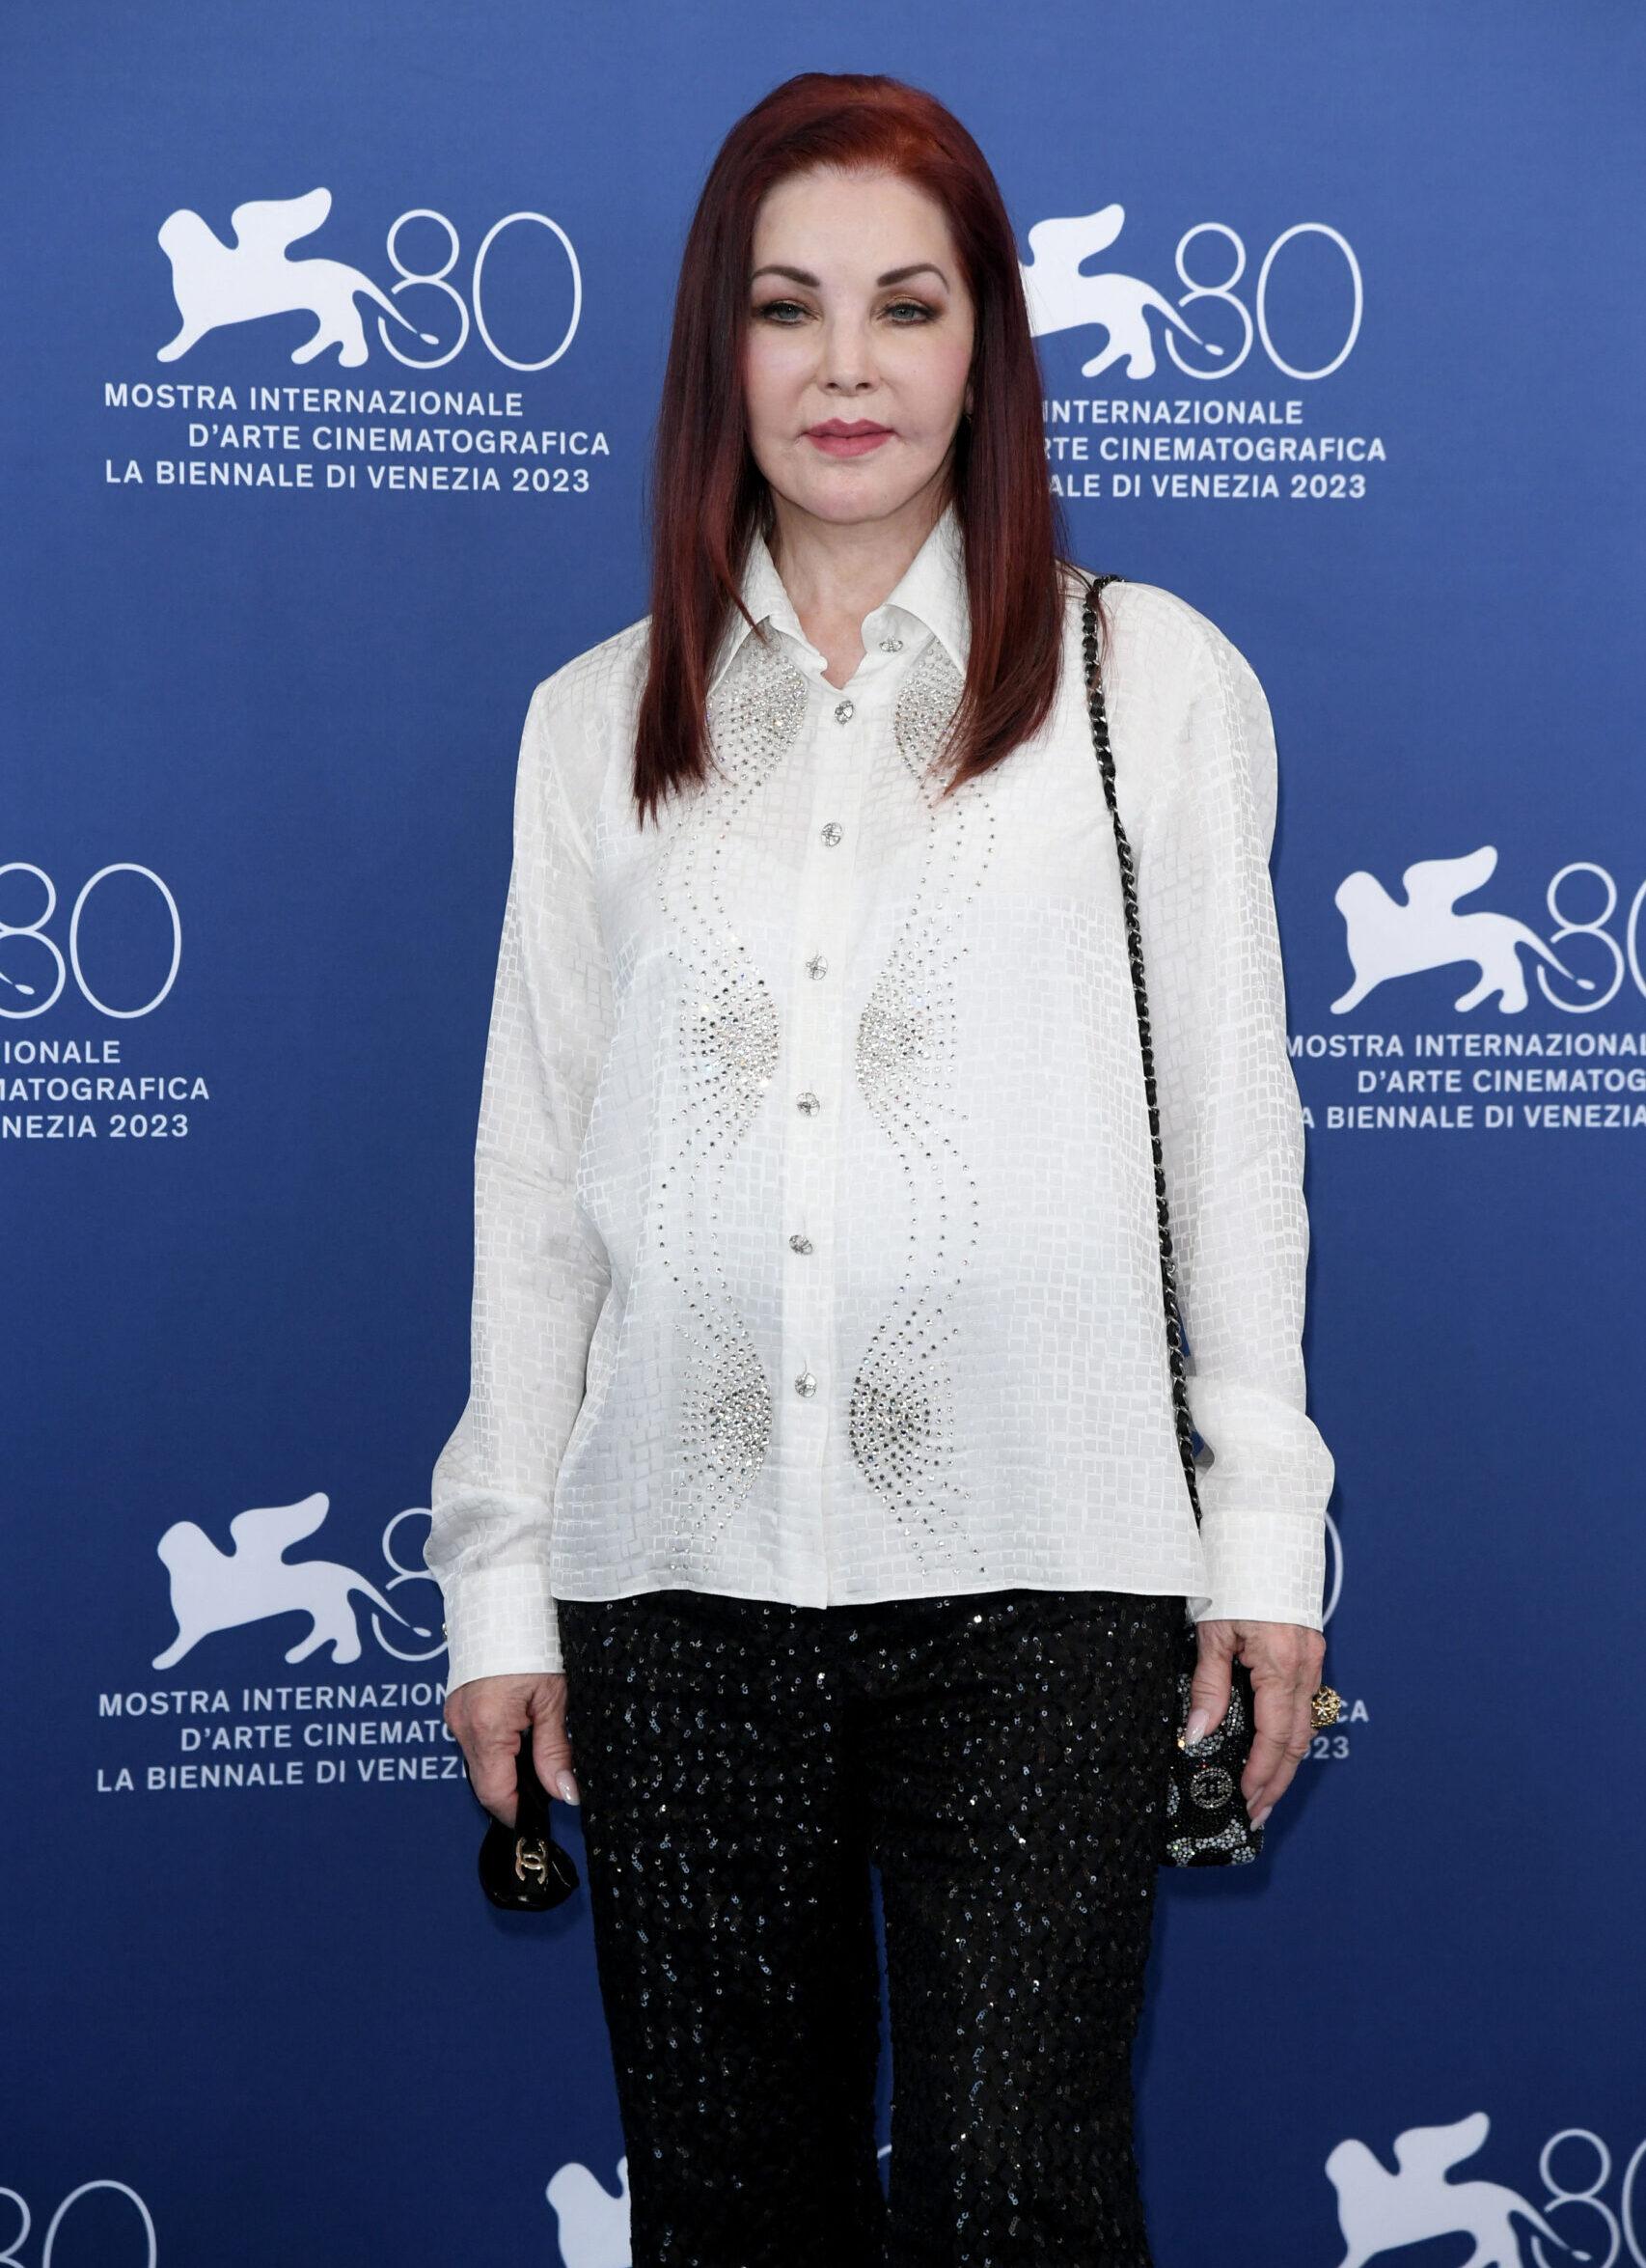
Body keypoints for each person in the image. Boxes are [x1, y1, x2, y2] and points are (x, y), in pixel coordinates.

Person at [426, 69, 1334, 2268]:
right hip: (674, 1590)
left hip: (1046, 1576)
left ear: (985, 346)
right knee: (733, 2217)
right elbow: (539, 1179)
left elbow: (1232, 1130)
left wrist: (1262, 1529)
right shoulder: (593, 719)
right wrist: (500, 1576)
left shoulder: (1144, 683)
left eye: (906, 306)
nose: (846, 367)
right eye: (788, 307)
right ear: (715, 351)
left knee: (1022, 2203)